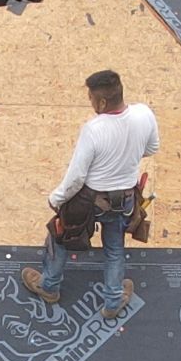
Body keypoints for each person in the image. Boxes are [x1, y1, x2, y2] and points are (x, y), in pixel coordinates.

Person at [24, 70, 159, 318]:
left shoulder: (93, 130)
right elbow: (152, 148)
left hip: (90, 202)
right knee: (115, 249)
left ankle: (49, 287)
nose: (90, 102)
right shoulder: (144, 115)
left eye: (90, 98)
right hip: (125, 201)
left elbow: (76, 178)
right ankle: (112, 302)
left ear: (102, 102)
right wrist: (126, 155)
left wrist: (56, 199)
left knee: (61, 236)